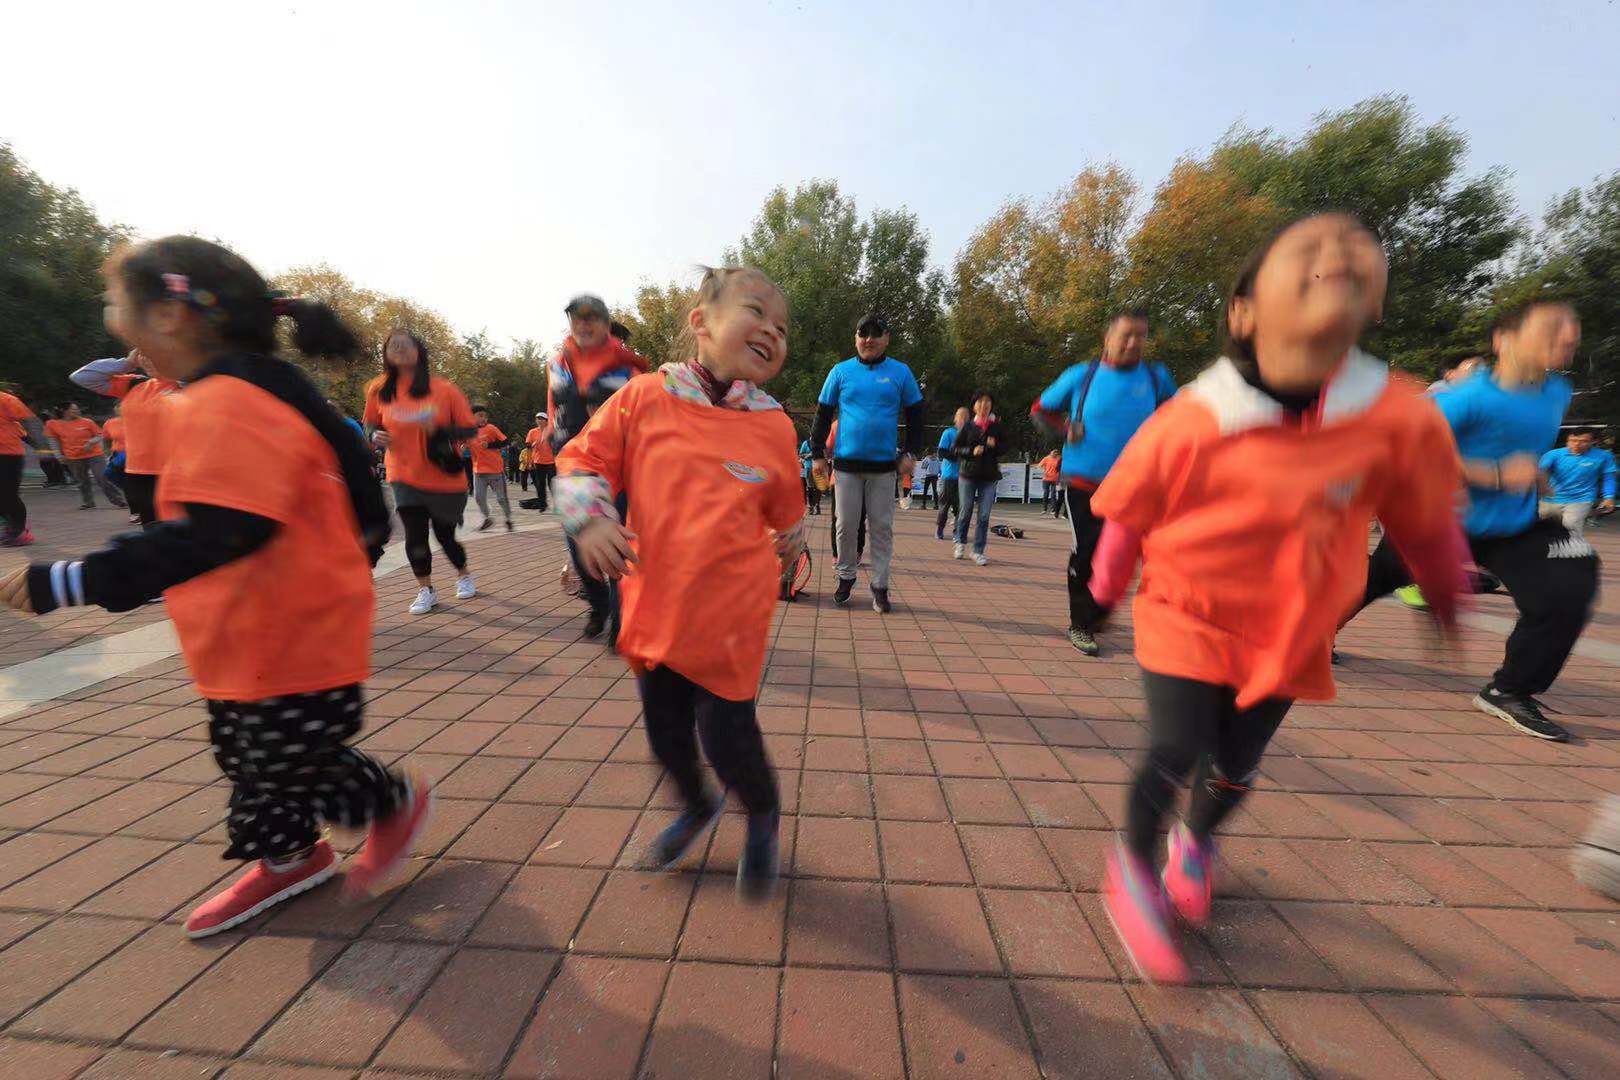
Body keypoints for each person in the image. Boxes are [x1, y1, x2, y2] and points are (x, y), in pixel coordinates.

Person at [0, 235, 430, 937]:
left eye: (116, 304)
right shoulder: (220, 394)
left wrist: (75, 579)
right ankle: (291, 855)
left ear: (169, 316)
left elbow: (220, 530)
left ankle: (388, 803)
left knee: (289, 755)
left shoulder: (232, 401)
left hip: (292, 626)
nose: (113, 321)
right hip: (243, 624)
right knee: (247, 751)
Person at [1087, 213, 1468, 984]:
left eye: (1358, 248)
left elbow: (1426, 522)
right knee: (1176, 746)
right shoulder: (1193, 417)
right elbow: (1128, 513)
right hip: (1185, 611)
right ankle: (1131, 867)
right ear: (1244, 313)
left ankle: (1195, 842)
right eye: (1306, 248)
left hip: (1292, 632)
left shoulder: (1396, 418)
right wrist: (1101, 592)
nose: (1336, 250)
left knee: (1234, 767)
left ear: (1375, 303)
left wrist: (1446, 595)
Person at [556, 266, 803, 901]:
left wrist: (794, 539)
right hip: (655, 606)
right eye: (757, 313)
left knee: (727, 737)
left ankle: (762, 812)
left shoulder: (775, 425)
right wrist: (590, 521)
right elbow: (581, 458)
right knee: (665, 737)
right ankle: (696, 804)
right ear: (701, 323)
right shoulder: (644, 397)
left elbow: (786, 509)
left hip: (731, 616)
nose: (772, 332)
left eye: (782, 328)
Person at [1346, 298, 1597, 741]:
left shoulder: (1557, 390)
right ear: (1504, 340)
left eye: (1573, 326)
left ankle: (1509, 690)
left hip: (1512, 527)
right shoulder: (1468, 398)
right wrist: (1496, 474)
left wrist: (1532, 475)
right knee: (1364, 585)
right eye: (1553, 326)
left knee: (1570, 582)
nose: (1569, 335)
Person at [1034, 309, 1176, 656]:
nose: (1134, 342)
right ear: (1108, 337)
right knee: (1088, 551)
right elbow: (1040, 409)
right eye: (1127, 335)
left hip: (1136, 485)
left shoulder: (1156, 378)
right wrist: (1064, 429)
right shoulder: (1081, 375)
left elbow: (1178, 420)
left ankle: (1098, 611)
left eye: (1141, 336)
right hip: (1085, 482)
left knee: (1130, 557)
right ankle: (1081, 623)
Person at [548, 295, 650, 638]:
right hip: (571, 469)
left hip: (615, 469)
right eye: (577, 318)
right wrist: (551, 434)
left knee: (617, 544)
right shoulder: (557, 364)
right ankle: (598, 604)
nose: (584, 324)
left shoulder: (629, 369)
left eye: (592, 318)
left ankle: (622, 620)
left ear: (606, 326)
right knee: (579, 547)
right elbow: (554, 407)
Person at [809, 313, 925, 614]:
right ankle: (846, 575)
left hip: (884, 468)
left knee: (881, 528)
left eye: (876, 333)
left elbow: (917, 415)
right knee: (845, 525)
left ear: (887, 338)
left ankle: (880, 585)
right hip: (846, 466)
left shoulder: (900, 372)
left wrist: (911, 452)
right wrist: (817, 453)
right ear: (856, 338)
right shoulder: (840, 372)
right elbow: (823, 413)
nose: (868, 339)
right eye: (863, 333)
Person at [365, 330, 480, 615]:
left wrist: (438, 429)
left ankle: (463, 574)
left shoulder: (444, 389)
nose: (400, 349)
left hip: (444, 477)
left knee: (445, 536)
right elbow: (370, 423)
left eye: (406, 345)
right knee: (415, 535)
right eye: (393, 345)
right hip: (403, 475)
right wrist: (375, 435)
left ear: (419, 351)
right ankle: (425, 589)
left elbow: (469, 429)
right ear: (385, 353)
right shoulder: (379, 389)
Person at [71, 350, 180, 527]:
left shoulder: (188, 384)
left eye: (153, 352)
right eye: (142, 354)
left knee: (184, 529)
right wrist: (126, 363)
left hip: (177, 471)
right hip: (139, 470)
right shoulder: (135, 384)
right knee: (152, 527)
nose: (147, 359)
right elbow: (82, 377)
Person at [952, 391, 1005, 565]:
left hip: (989, 476)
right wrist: (971, 451)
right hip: (968, 475)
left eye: (988, 402)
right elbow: (955, 448)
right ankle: (960, 542)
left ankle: (978, 551)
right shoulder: (968, 427)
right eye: (980, 402)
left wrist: (995, 445)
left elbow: (1005, 447)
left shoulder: (996, 427)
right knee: (965, 510)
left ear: (991, 406)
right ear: (974, 406)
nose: (984, 405)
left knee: (984, 515)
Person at [45, 402, 127, 510]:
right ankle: (88, 502)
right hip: (73, 457)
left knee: (102, 477)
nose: (77, 411)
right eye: (73, 409)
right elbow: (53, 441)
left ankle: (119, 501)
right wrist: (58, 456)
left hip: (94, 454)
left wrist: (90, 442)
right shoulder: (52, 424)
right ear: (64, 411)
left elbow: (99, 435)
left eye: (77, 409)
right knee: (82, 481)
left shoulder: (87, 422)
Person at [1540, 427, 1615, 536]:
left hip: (1581, 499)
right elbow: (1541, 472)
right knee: (1545, 532)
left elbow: (1608, 477)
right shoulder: (1553, 454)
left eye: (1583, 441)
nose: (1576, 444)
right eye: (1572, 440)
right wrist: (1543, 487)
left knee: (1570, 531)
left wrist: (1608, 497)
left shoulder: (1603, 456)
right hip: (1551, 498)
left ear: (1594, 442)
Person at [0, 387, 39, 546]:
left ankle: (19, 531)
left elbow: (28, 421)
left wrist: (41, 446)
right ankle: (12, 525)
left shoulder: (5, 399)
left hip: (8, 454)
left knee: (8, 494)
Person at [469, 404, 514, 532]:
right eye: (480, 416)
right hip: (478, 472)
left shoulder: (491, 428)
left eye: (485, 416)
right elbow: (462, 444)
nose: (484, 418)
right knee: (478, 498)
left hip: (495, 471)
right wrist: (463, 447)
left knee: (501, 499)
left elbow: (506, 441)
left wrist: (489, 445)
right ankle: (487, 519)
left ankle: (508, 519)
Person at [935, 407, 968, 539]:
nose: (964, 420)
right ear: (956, 419)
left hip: (964, 477)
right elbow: (941, 452)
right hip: (948, 476)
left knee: (961, 507)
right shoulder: (948, 433)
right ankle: (939, 529)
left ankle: (957, 532)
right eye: (961, 417)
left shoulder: (970, 434)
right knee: (944, 506)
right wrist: (958, 456)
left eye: (966, 417)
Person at [526, 411, 555, 510]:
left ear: (546, 421)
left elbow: (557, 444)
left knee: (552, 484)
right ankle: (542, 504)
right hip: (538, 461)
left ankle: (557, 503)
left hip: (551, 461)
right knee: (540, 484)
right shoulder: (532, 432)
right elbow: (528, 448)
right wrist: (529, 461)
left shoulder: (552, 431)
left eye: (541, 419)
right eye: (537, 418)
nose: (538, 420)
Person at [798, 437, 821, 515]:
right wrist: (808, 455)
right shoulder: (806, 443)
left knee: (818, 488)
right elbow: (801, 455)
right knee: (808, 487)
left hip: (818, 467)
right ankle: (810, 506)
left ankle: (817, 506)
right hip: (807, 468)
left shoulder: (821, 442)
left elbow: (826, 453)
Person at [1038, 449, 1063, 515]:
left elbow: (1062, 467)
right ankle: (1044, 509)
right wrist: (1044, 471)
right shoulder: (1046, 458)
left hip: (1055, 479)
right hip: (1046, 479)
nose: (1055, 454)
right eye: (1054, 453)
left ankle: (1053, 510)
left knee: (1053, 494)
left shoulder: (1059, 459)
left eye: (1056, 453)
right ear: (1050, 453)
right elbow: (1039, 466)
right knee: (1046, 493)